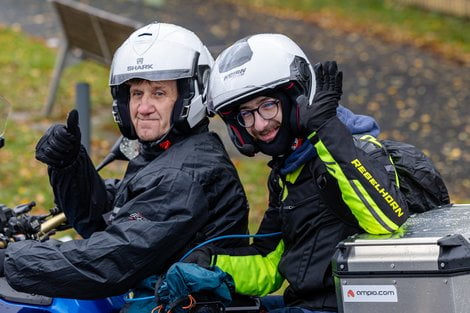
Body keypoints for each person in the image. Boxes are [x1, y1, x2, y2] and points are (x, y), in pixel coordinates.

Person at [0, 22, 249, 302]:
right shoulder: (170, 151)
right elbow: (113, 215)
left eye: (158, 93)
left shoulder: (185, 174)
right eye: (136, 93)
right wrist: (69, 166)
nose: (142, 108)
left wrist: (9, 259)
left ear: (190, 95)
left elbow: (109, 261)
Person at [185, 34, 409, 313]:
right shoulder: (287, 172)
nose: (259, 124)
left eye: (268, 105)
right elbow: (269, 265)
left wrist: (326, 128)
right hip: (305, 305)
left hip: (351, 304)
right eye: (246, 114)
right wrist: (206, 265)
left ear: (297, 99)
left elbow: (387, 219)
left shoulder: (357, 150)